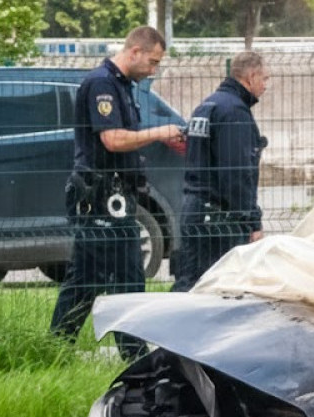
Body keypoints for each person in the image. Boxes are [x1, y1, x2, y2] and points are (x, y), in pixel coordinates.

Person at [49, 26, 186, 361]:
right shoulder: (102, 84)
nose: (154, 69)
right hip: (99, 195)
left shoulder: (122, 86)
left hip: (113, 193)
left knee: (89, 277)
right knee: (124, 275)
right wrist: (159, 132)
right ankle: (133, 356)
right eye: (152, 61)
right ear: (134, 51)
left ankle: (57, 345)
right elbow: (111, 139)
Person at [171, 51, 270, 293]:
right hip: (219, 217)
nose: (266, 86)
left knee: (190, 281)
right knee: (216, 287)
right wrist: (251, 221)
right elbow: (237, 174)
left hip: (195, 208)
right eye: (265, 79)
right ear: (251, 76)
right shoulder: (235, 112)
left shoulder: (207, 105)